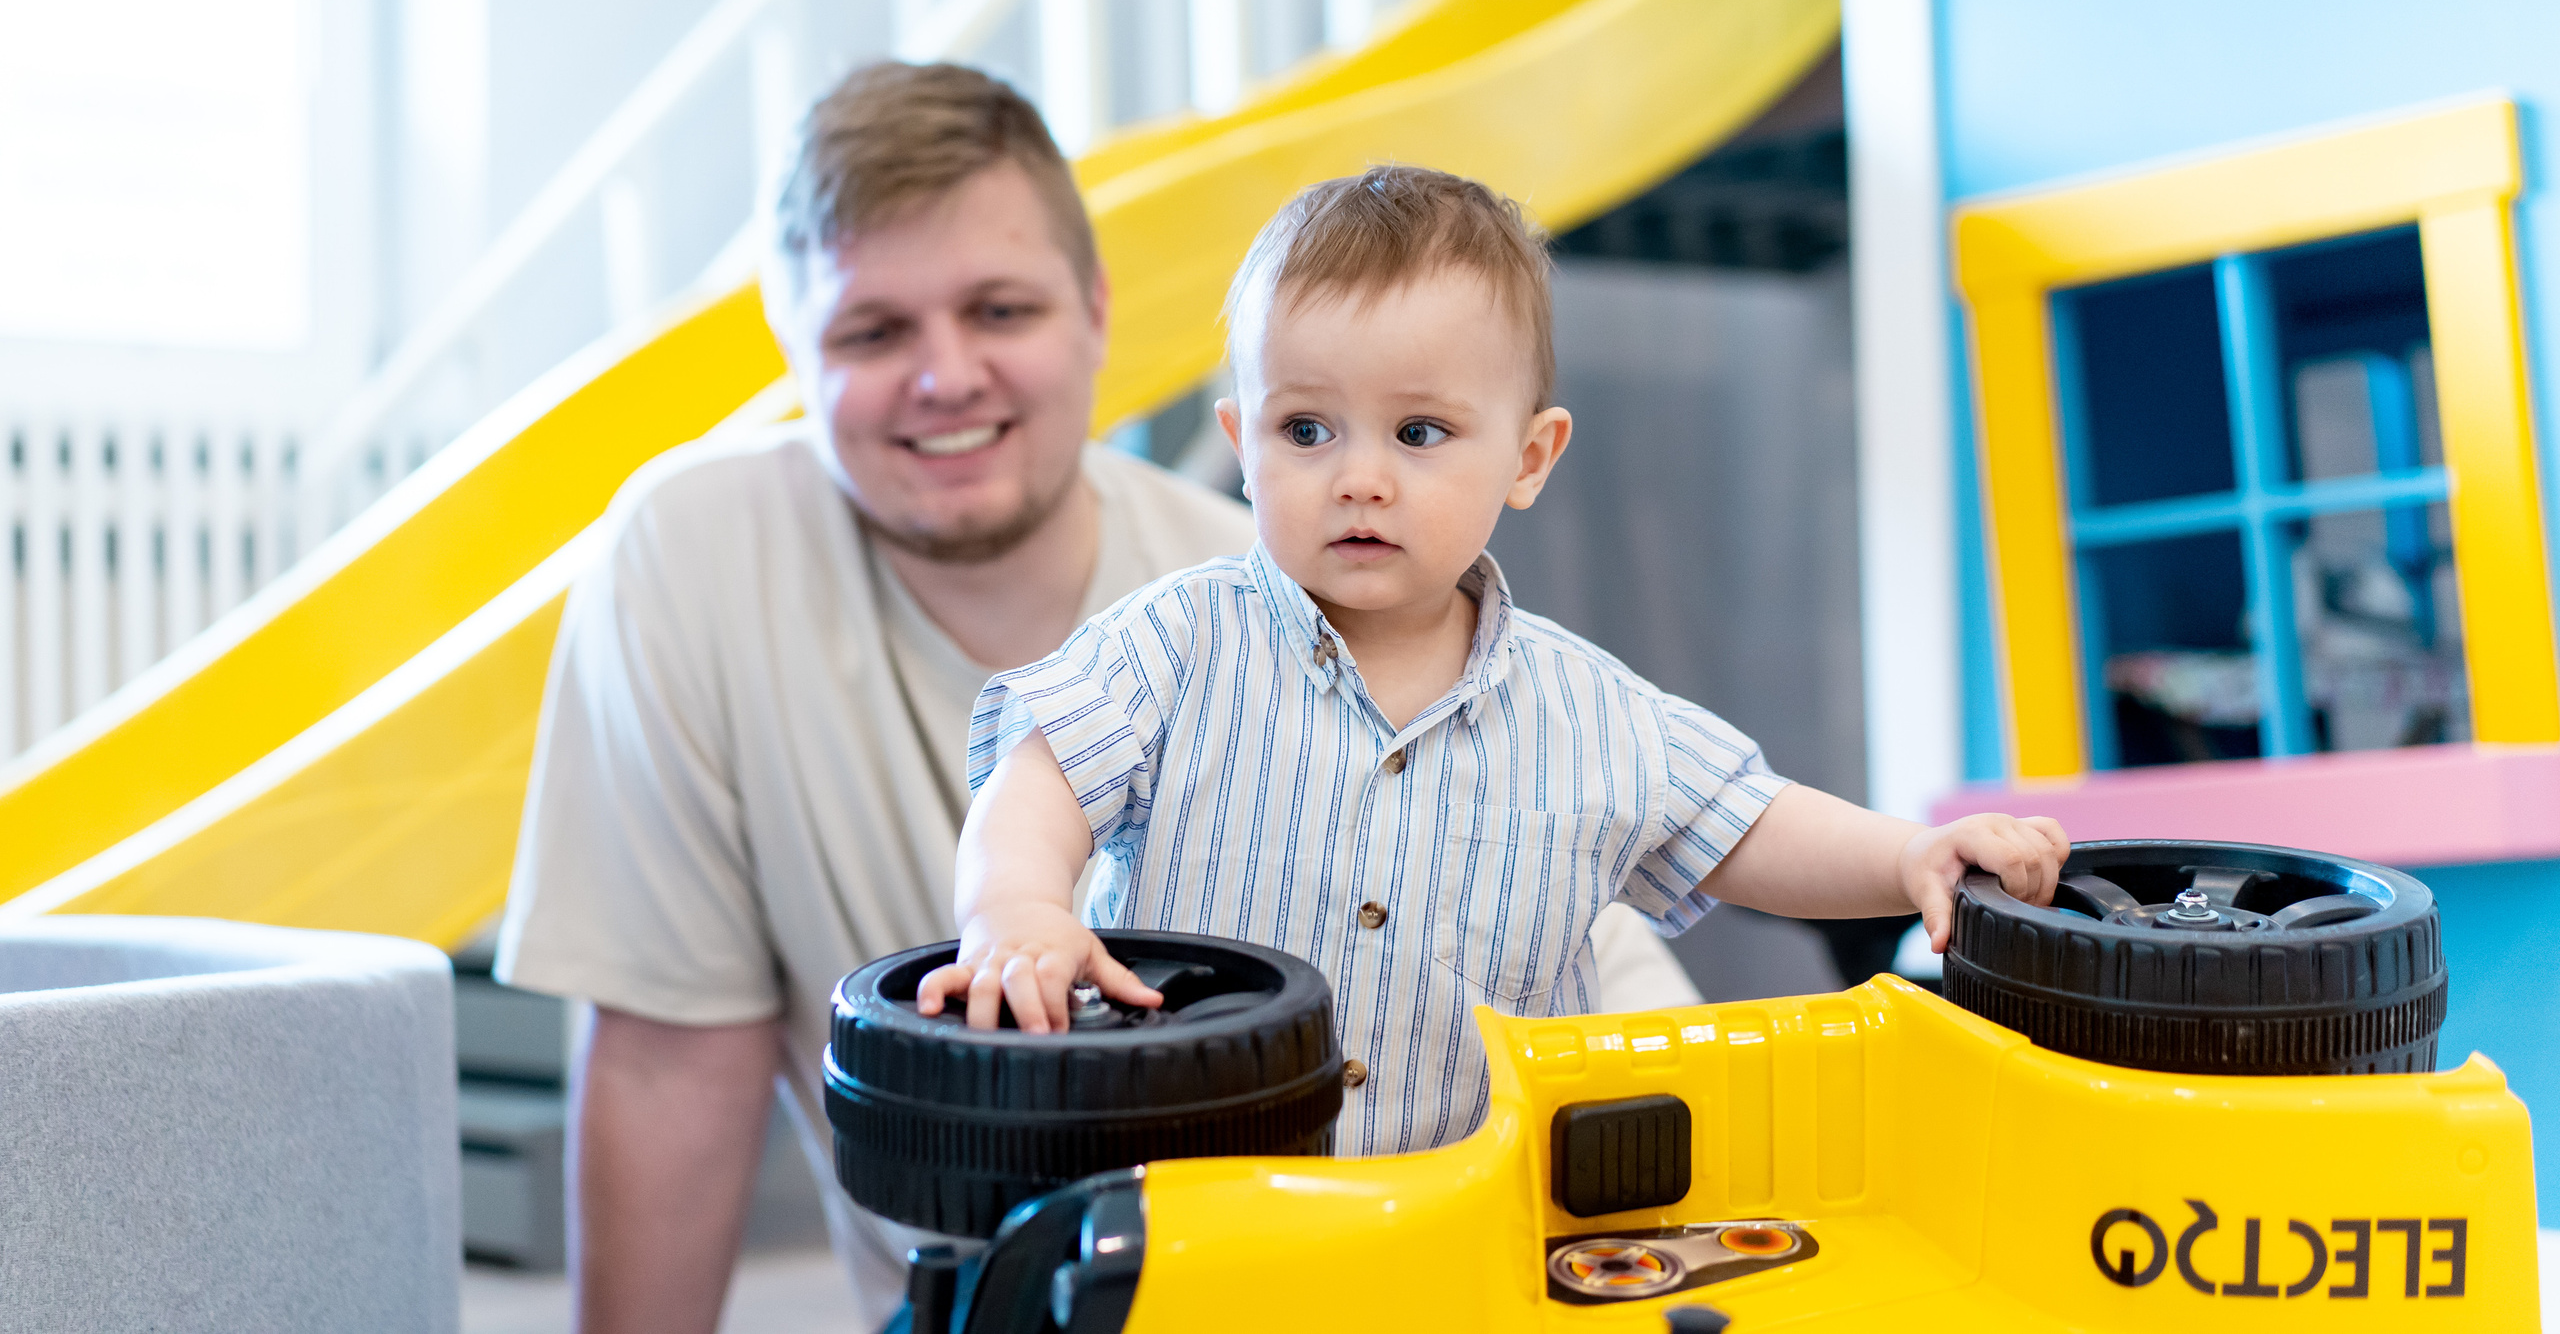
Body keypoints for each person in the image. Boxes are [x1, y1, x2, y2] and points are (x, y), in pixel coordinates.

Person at [494, 67, 1700, 1333]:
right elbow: (670, 1056)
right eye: (872, 332)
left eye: (999, 308)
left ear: (1094, 315)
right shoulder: (692, 560)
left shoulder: (1284, 582)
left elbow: (1593, 958)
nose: (944, 376)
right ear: (798, 349)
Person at [920, 165, 2071, 1153]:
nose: (1358, 478)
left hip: (1484, 1217)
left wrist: (1911, 853)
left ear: (1529, 456)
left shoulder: (1589, 711)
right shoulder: (1172, 646)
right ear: (1241, 441)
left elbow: (1749, 824)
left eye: (1420, 434)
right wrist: (1016, 905)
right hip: (1202, 1195)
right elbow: (1039, 776)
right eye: (1305, 430)